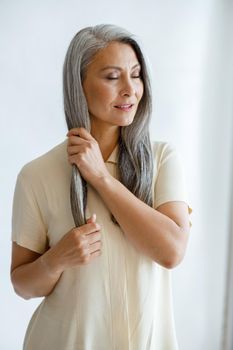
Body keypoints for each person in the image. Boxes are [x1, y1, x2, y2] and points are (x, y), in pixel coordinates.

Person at [10, 24, 192, 350]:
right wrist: (56, 260)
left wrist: (101, 178)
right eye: (112, 77)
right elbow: (22, 285)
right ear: (79, 86)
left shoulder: (164, 159)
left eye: (135, 75)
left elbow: (172, 251)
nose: (130, 89)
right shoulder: (36, 175)